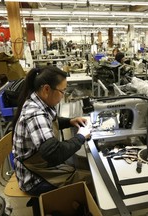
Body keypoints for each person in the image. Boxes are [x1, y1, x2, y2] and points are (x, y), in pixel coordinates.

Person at [12, 66, 92, 196]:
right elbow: (54, 153)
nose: (63, 96)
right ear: (46, 89)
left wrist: (70, 121)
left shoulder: (39, 102)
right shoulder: (35, 113)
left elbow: (49, 122)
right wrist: (80, 137)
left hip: (41, 165)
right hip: (34, 179)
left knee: (87, 165)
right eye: (62, 91)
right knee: (91, 180)